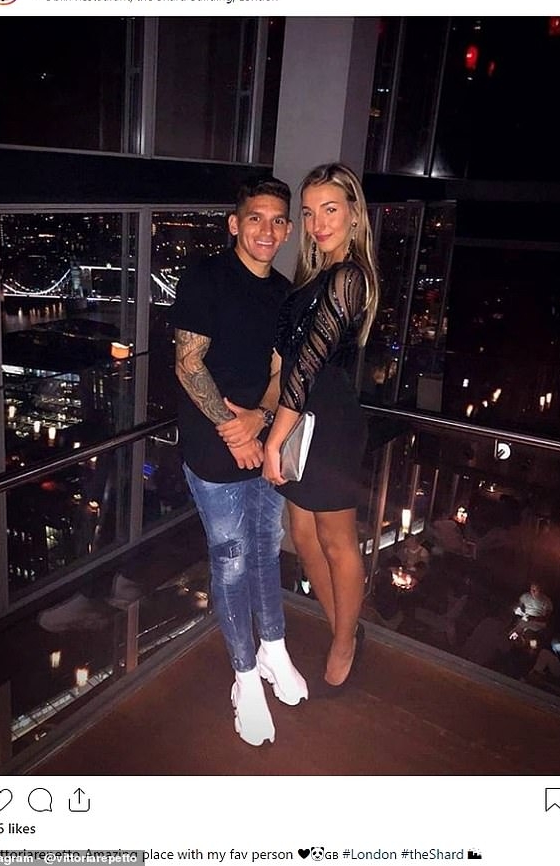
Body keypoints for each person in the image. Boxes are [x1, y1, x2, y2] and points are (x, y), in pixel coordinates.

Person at [173, 176, 308, 747]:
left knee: (265, 546)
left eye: (278, 220)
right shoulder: (206, 277)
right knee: (230, 560)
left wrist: (260, 418)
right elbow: (188, 363)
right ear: (235, 223)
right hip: (214, 448)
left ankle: (273, 647)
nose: (267, 230)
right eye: (256, 217)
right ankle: (245, 677)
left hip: (264, 438)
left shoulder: (284, 293)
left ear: (288, 229)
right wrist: (235, 431)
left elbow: (282, 370)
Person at [259, 162, 380, 692]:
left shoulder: (349, 276)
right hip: (298, 417)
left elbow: (307, 366)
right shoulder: (312, 278)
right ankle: (343, 626)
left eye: (330, 209)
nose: (317, 223)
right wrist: (258, 412)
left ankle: (345, 640)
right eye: (308, 213)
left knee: (336, 541)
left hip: (329, 426)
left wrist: (273, 439)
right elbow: (284, 362)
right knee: (303, 535)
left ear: (354, 214)